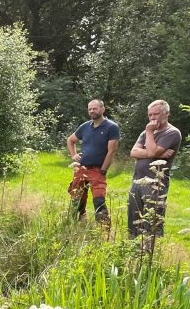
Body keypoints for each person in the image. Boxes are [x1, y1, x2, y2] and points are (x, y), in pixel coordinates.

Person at [127, 100, 182, 243]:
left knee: (152, 223)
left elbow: (151, 151)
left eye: (156, 114)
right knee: (134, 220)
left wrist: (150, 134)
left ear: (166, 114)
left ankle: (153, 251)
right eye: (150, 115)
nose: (152, 118)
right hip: (137, 181)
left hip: (156, 184)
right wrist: (158, 153)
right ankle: (134, 249)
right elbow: (133, 152)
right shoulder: (145, 132)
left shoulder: (172, 132)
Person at [67, 99, 121, 224]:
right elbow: (70, 140)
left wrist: (103, 169)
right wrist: (74, 155)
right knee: (76, 197)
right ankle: (77, 222)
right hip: (81, 168)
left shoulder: (111, 127)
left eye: (94, 108)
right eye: (90, 109)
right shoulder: (85, 126)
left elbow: (111, 151)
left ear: (102, 109)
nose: (92, 111)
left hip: (98, 169)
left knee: (99, 200)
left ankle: (103, 228)